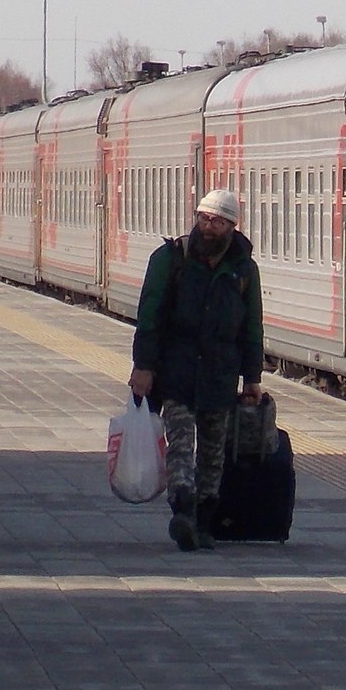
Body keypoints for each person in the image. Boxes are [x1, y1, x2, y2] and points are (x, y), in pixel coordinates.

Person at [130, 187, 263, 551]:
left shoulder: (243, 270)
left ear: (232, 227)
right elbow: (149, 316)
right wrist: (143, 367)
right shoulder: (170, 259)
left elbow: (252, 327)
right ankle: (183, 511)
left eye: (217, 222)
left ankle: (204, 521)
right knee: (180, 443)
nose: (208, 227)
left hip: (220, 375)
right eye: (204, 218)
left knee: (213, 453)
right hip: (176, 371)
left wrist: (252, 378)